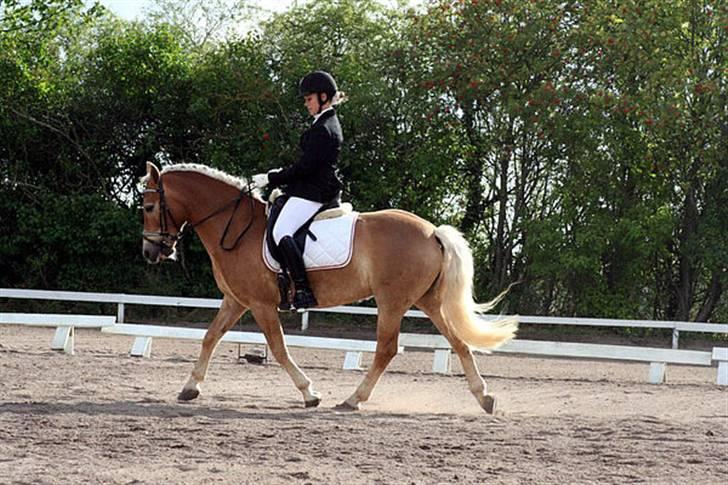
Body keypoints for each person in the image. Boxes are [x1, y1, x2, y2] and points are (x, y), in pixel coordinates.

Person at [252, 70, 344, 310]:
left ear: (324, 97)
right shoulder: (323, 124)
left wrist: (272, 177)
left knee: (282, 230)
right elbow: (306, 165)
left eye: (309, 99)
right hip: (311, 187)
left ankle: (303, 289)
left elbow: (306, 167)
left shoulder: (324, 128)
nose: (306, 104)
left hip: (315, 192)